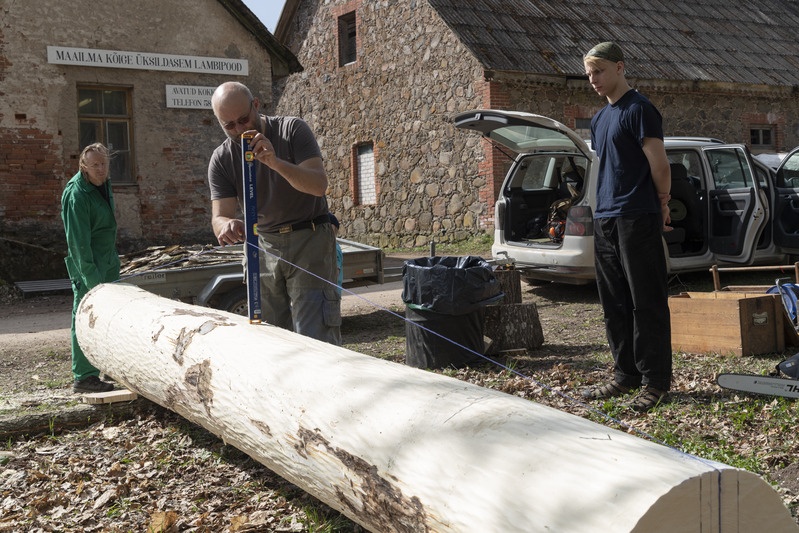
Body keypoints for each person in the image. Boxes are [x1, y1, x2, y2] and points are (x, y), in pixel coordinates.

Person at [208, 82, 341, 345]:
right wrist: (227, 225)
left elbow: (318, 185)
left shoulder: (292, 130)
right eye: (229, 125)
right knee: (270, 338)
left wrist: (275, 162)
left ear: (256, 105)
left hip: (309, 239)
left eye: (244, 119)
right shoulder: (222, 158)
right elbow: (218, 217)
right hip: (262, 245)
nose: (240, 129)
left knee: (316, 338)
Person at [580, 42, 673, 411]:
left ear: (620, 67)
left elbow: (659, 165)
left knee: (646, 302)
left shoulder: (640, 109)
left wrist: (662, 202)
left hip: (638, 216)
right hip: (605, 217)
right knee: (614, 303)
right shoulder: (599, 119)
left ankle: (656, 382)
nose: (594, 79)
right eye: (589, 74)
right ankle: (625, 375)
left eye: (599, 71)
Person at [61, 143, 119, 393]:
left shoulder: (103, 183)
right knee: (84, 316)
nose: (101, 169)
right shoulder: (77, 195)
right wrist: (93, 283)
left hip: (107, 261)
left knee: (108, 317)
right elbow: (78, 245)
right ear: (83, 166)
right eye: (95, 165)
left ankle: (107, 368)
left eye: (104, 163)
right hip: (88, 267)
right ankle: (84, 377)